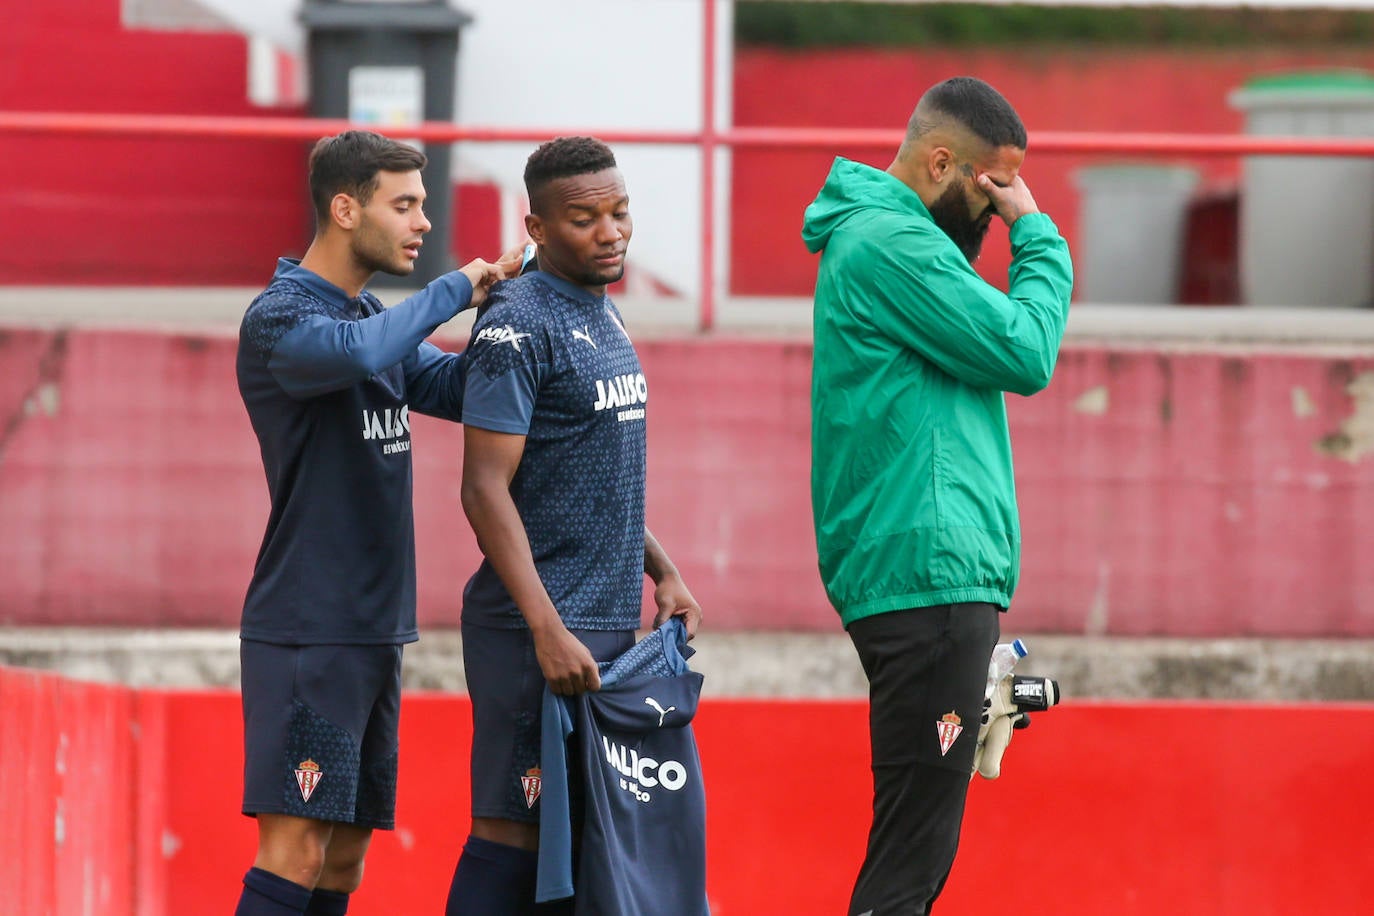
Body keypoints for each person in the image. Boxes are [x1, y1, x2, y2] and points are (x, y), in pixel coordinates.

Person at [801, 76, 1074, 915]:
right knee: (907, 872)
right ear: (941, 160)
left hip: (926, 576)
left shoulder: (891, 242)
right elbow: (1025, 350)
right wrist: (1040, 235)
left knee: (913, 856)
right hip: (929, 575)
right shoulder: (892, 242)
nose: (998, 211)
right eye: (991, 190)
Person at [234, 129, 519, 916]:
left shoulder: (367, 318)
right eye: (406, 204)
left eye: (422, 204)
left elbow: (458, 388)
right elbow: (360, 354)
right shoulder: (282, 319)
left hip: (372, 629)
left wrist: (527, 318)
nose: (423, 222)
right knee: (293, 850)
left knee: (344, 860)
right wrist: (456, 287)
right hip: (307, 630)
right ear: (345, 206)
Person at [445, 135, 703, 915]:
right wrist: (546, 628)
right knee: (514, 832)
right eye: (586, 218)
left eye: (619, 212)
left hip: (607, 628)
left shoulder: (603, 308)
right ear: (538, 229)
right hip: (535, 631)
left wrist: (663, 571)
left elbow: (597, 472)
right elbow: (485, 491)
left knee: (581, 838)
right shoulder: (515, 326)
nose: (611, 231)